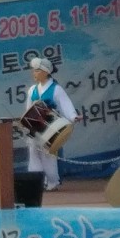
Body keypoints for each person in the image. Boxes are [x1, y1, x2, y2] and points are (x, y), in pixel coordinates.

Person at [24, 57, 81, 192]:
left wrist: (73, 116)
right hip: (35, 126)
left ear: (46, 72)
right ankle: (36, 181)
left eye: (37, 71)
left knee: (48, 155)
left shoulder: (56, 89)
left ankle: (52, 182)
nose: (34, 73)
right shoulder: (32, 90)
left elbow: (66, 105)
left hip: (50, 126)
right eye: (34, 70)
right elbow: (28, 109)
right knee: (33, 153)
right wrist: (27, 124)